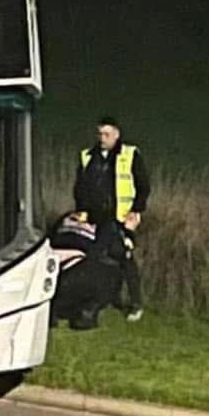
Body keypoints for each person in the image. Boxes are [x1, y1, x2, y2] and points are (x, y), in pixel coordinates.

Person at [73, 115, 150, 322]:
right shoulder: (88, 157)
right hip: (95, 218)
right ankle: (107, 299)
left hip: (121, 217)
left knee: (121, 256)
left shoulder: (130, 154)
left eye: (107, 134)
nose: (102, 138)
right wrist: (81, 211)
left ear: (117, 135)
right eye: (100, 134)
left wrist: (136, 211)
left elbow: (143, 186)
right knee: (112, 257)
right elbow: (80, 188)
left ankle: (127, 303)